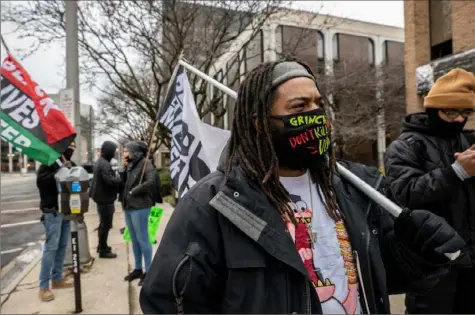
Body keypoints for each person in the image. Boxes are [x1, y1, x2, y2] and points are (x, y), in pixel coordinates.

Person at [139, 58, 465, 314]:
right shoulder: (213, 204)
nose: (315, 115)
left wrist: (420, 253)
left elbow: (385, 276)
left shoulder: (358, 189)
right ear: (259, 122)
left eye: (317, 104)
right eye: (299, 107)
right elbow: (170, 302)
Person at [384, 68, 475, 314]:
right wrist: (456, 171)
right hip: (430, 261)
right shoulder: (405, 147)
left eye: (465, 112)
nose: (459, 119)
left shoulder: (465, 141)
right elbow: (406, 195)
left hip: (469, 258)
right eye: (451, 112)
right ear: (433, 110)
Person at [37, 141, 77, 302]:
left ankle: (57, 278)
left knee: (62, 246)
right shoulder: (48, 161)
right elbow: (41, 182)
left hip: (66, 211)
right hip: (52, 211)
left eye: (74, 146)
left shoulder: (69, 163)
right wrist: (57, 174)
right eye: (70, 145)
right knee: (51, 248)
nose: (72, 148)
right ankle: (43, 286)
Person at [120, 140, 156, 286]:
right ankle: (137, 269)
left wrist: (134, 191)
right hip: (129, 206)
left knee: (143, 240)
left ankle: (148, 271)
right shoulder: (130, 165)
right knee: (134, 240)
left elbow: (151, 181)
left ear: (135, 151)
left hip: (140, 206)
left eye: (127, 151)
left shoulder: (146, 163)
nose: (125, 154)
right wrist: (122, 169)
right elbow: (122, 183)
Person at [89, 141, 122, 259]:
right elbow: (109, 181)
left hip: (102, 198)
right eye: (113, 151)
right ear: (108, 151)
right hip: (105, 199)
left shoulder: (101, 162)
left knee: (103, 223)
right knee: (106, 224)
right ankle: (103, 250)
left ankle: (101, 245)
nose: (114, 153)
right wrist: (118, 178)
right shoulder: (104, 164)